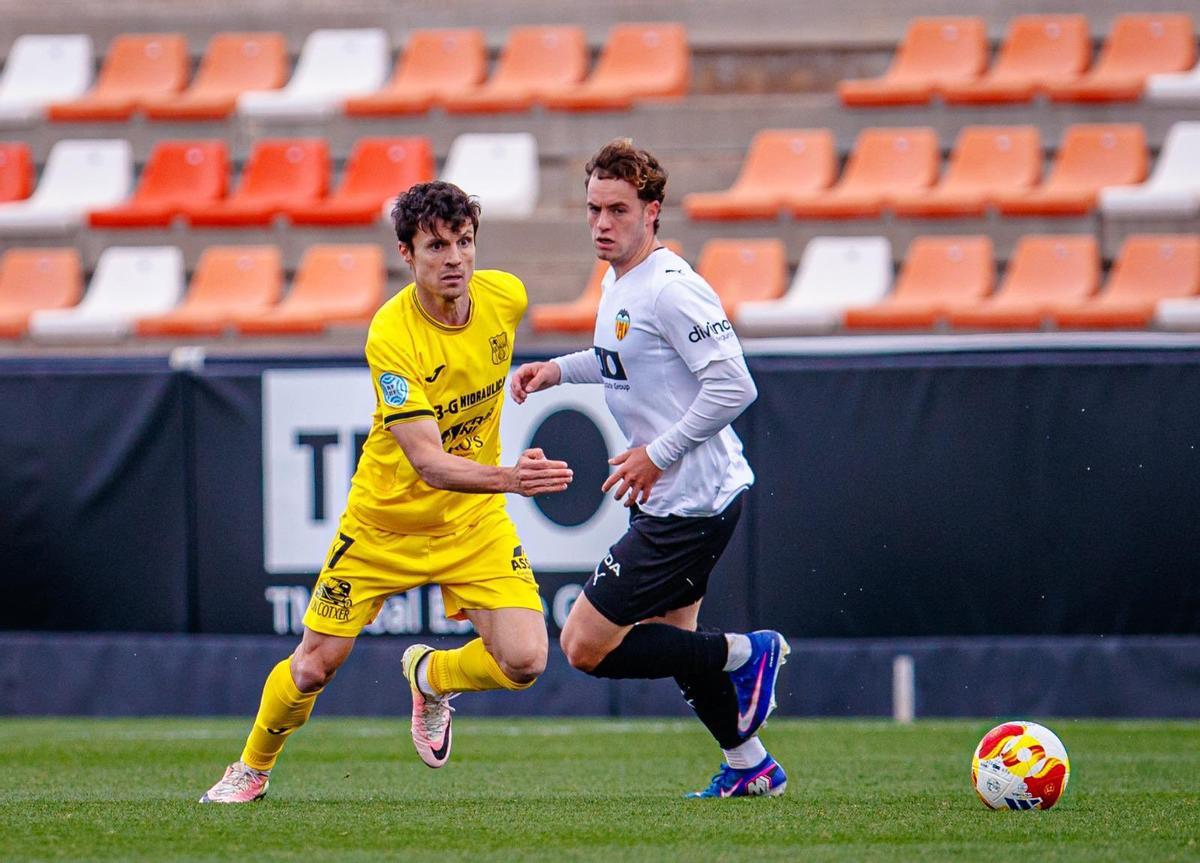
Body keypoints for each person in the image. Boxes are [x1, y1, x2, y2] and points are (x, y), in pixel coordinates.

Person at [201, 181, 573, 803]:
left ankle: (432, 675)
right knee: (313, 666)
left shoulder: (506, 298)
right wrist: (511, 478)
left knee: (526, 660)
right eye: (436, 246)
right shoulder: (391, 334)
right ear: (407, 253)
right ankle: (251, 768)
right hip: (384, 525)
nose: (455, 258)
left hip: (471, 521)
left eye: (464, 242)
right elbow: (427, 462)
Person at [510, 139, 789, 799]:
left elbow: (735, 386)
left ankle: (750, 653)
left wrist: (657, 453)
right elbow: (622, 357)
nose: (602, 223)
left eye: (618, 210)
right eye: (593, 209)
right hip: (675, 497)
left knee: (583, 644)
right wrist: (557, 370)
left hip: (690, 502)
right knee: (675, 644)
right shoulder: (620, 280)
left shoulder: (671, 289)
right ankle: (750, 765)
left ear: (652, 212)